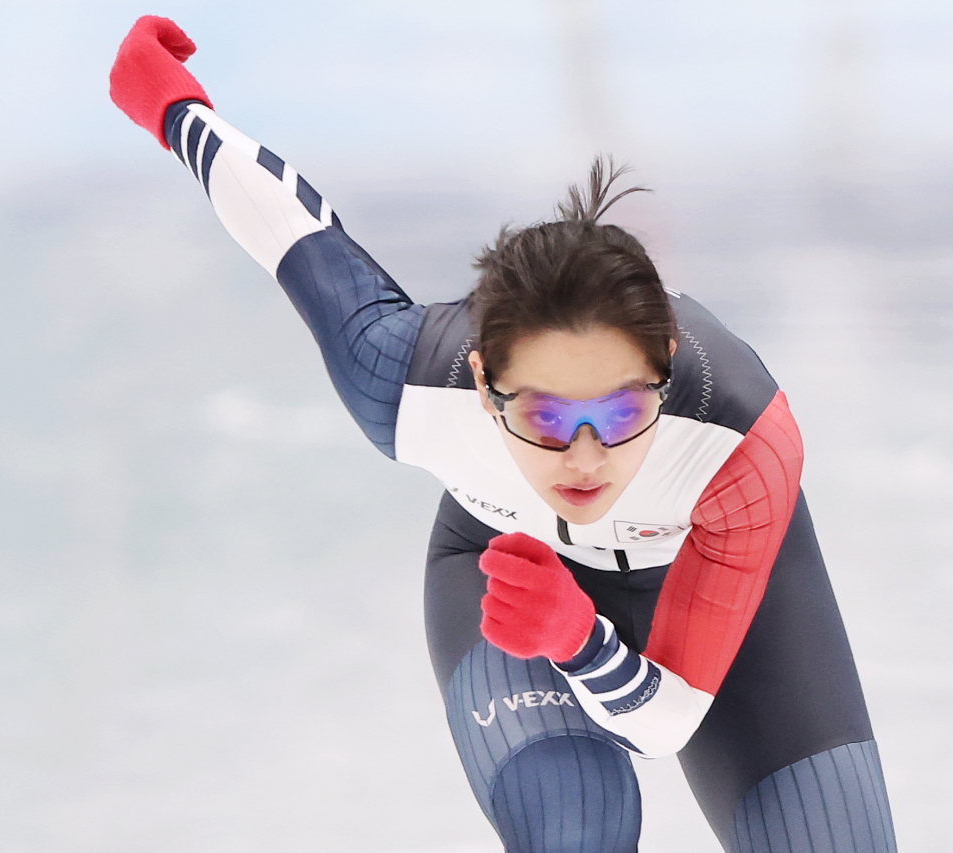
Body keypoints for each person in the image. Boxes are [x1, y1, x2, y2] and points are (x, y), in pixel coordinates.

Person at [108, 15, 897, 853]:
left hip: (709, 590)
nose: (587, 457)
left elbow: (665, 720)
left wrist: (581, 637)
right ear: (484, 384)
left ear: (666, 364)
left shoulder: (740, 449)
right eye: (547, 419)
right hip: (512, 575)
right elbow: (297, 239)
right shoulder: (408, 386)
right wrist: (172, 105)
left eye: (624, 413)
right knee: (579, 828)